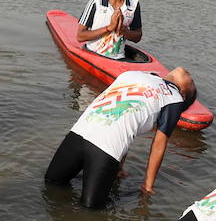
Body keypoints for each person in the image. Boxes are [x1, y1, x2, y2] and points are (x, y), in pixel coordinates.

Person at [44, 68, 196, 209]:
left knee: (90, 209)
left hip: (103, 148)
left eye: (191, 80)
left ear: (184, 94)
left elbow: (159, 144)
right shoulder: (145, 75)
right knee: (52, 183)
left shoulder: (174, 99)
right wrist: (126, 172)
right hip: (80, 132)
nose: (187, 72)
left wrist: (147, 185)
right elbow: (127, 118)